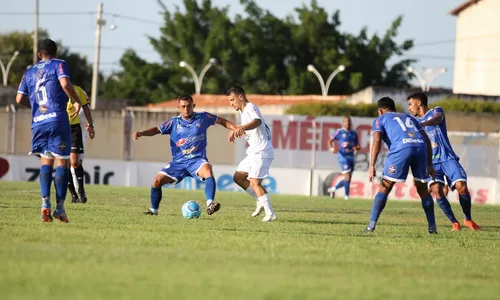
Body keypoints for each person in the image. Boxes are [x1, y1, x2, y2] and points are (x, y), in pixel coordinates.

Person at [133, 95, 238, 216]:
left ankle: (210, 204)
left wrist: (234, 128)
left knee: (208, 170)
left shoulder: (203, 117)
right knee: (156, 181)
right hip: (178, 162)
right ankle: (153, 211)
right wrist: (142, 133)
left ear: (193, 106)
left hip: (197, 160)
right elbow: (157, 130)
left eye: (189, 106)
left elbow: (222, 121)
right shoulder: (173, 122)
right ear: (179, 107)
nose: (186, 109)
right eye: (183, 106)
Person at [16, 39, 83, 223]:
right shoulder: (59, 64)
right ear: (56, 52)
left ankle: (45, 204)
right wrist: (76, 100)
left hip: (38, 122)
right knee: (62, 162)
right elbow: (64, 84)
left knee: (46, 161)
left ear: (39, 54)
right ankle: (60, 209)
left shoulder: (29, 72)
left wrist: (37, 107)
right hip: (57, 120)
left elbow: (19, 98)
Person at [407, 92, 480, 231]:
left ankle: (468, 219)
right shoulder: (413, 124)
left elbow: (438, 119)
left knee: (461, 186)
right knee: (437, 191)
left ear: (419, 103)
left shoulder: (436, 111)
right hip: (431, 162)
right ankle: (454, 223)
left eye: (410, 104)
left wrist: (423, 123)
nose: (409, 108)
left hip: (447, 157)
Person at [365, 97, 438, 233]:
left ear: (380, 111)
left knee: (385, 187)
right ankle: (432, 227)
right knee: (422, 189)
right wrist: (430, 165)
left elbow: (377, 140)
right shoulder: (409, 117)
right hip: (420, 148)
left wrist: (372, 166)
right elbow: (427, 140)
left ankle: (371, 225)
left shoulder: (380, 120)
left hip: (401, 148)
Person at [226, 86, 277, 222]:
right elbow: (251, 127)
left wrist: (242, 127)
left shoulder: (249, 108)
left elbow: (257, 121)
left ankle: (270, 213)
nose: (231, 103)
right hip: (254, 153)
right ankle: (260, 200)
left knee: (255, 183)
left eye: (232, 100)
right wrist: (237, 130)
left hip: (262, 151)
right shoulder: (244, 112)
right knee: (238, 177)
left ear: (241, 97)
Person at [66, 85, 95, 203]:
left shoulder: (78, 90)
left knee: (75, 162)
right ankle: (73, 194)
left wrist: (91, 125)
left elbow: (86, 109)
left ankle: (81, 189)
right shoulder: (52, 88)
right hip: (58, 128)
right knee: (64, 164)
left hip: (76, 129)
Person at [326, 116, 360, 200]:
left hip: (351, 156)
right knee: (347, 177)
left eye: (348, 121)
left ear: (351, 123)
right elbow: (329, 140)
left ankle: (333, 189)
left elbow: (357, 145)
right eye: (346, 121)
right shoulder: (339, 132)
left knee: (347, 179)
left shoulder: (354, 133)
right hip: (343, 156)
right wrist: (332, 148)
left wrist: (357, 148)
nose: (347, 123)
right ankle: (346, 197)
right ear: (343, 122)